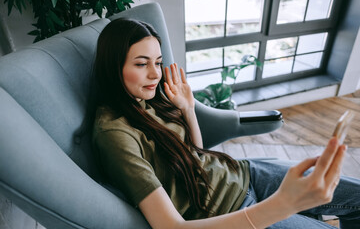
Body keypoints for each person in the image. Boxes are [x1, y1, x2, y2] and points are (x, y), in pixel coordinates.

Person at [91, 18, 360, 229]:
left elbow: (196, 155)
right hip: (229, 211)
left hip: (245, 172)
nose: (155, 74)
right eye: (141, 64)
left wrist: (187, 109)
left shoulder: (148, 98)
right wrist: (283, 204)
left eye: (158, 63)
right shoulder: (114, 133)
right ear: (114, 67)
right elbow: (171, 226)